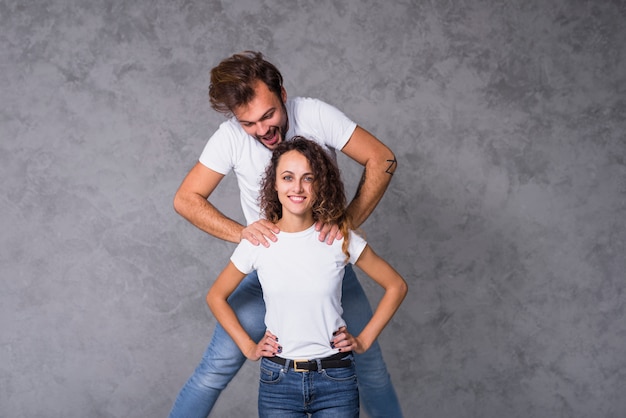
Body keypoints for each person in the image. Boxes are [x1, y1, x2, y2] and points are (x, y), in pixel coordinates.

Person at [169, 51, 401, 417]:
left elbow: (382, 159)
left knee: (372, 372)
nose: (262, 130)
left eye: (268, 115)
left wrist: (347, 222)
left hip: (328, 273)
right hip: (267, 275)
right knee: (214, 370)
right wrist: (245, 234)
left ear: (283, 94)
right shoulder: (229, 137)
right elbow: (185, 199)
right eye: (249, 123)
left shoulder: (314, 114)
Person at [206, 137, 408, 417]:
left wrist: (363, 340)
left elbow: (396, 286)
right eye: (288, 177)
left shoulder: (338, 238)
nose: (297, 187)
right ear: (274, 184)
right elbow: (215, 296)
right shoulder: (259, 242)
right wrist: (249, 347)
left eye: (307, 178)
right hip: (278, 382)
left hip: (337, 379)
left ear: (319, 184)